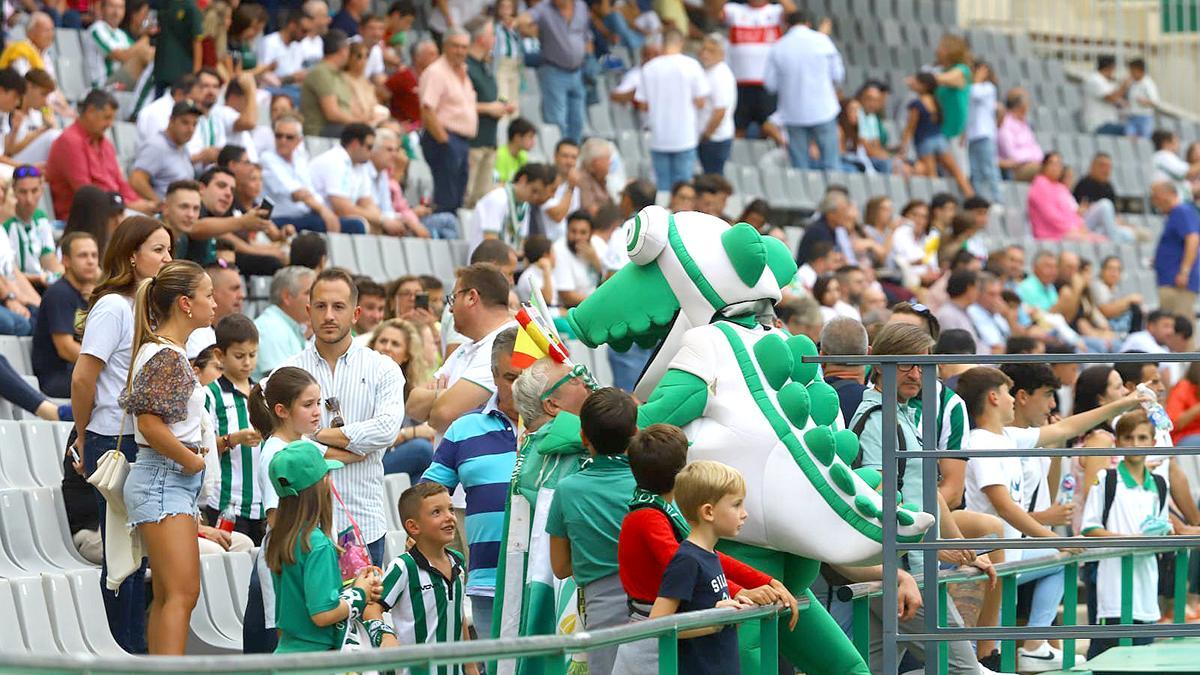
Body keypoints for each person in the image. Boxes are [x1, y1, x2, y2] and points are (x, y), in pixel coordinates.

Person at [957, 365, 1149, 672]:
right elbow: (1005, 507)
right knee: (984, 649)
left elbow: (1064, 429)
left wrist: (1123, 404)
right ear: (994, 397)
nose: (1012, 401)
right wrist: (1055, 537)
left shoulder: (1007, 436)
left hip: (1010, 557)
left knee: (1055, 561)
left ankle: (1031, 645)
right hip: (990, 560)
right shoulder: (981, 442)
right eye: (1008, 393)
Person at [613, 424, 793, 674]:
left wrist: (763, 581)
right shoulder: (647, 516)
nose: (744, 513)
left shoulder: (661, 510)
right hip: (653, 637)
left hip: (673, 629)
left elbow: (706, 558)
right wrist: (739, 598)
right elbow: (683, 562)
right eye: (737, 505)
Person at [70, 216, 172, 653]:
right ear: (132, 255)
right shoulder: (114, 306)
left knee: (139, 556)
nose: (168, 259)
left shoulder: (150, 306)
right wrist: (81, 434)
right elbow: (82, 378)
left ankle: (135, 649)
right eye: (159, 250)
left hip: (142, 440)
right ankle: (122, 652)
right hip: (113, 439)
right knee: (120, 556)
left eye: (170, 250)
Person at [121, 260, 216, 654]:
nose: (214, 303)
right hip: (166, 478)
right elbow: (150, 424)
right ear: (185, 304)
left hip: (166, 480)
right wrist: (191, 461)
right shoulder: (166, 356)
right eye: (208, 295)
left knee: (169, 595)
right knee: (181, 594)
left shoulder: (167, 352)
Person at [284, 267, 406, 565]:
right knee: (309, 613)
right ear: (309, 311)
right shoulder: (287, 372)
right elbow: (281, 442)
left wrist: (315, 435)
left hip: (363, 522)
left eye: (338, 307)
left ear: (355, 313)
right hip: (304, 526)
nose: (329, 316)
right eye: (321, 307)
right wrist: (349, 448)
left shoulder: (383, 368)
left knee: (363, 611)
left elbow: (386, 430)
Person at [420, 326, 518, 641]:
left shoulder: (568, 426)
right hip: (487, 580)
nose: (520, 388)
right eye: (510, 378)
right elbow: (426, 497)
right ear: (493, 375)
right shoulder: (464, 429)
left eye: (530, 376)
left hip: (549, 580)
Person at [548, 387, 638, 675]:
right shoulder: (652, 481)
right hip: (660, 605)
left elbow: (560, 567)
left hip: (599, 611)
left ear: (584, 437)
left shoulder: (567, 490)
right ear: (635, 432)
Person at [264, 440, 382, 652]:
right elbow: (322, 614)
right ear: (322, 484)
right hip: (316, 660)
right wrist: (360, 594)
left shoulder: (281, 537)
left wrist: (354, 584)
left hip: (286, 651)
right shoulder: (317, 543)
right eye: (327, 475)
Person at [242, 366, 323, 653]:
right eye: (307, 405)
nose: (317, 412)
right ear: (282, 410)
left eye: (318, 403)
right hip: (288, 563)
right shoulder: (276, 453)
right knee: (290, 645)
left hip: (303, 557)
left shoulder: (300, 444)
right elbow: (277, 519)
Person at [648, 459, 754, 674]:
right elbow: (656, 625)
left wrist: (734, 609)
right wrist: (712, 622)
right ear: (708, 512)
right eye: (736, 505)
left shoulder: (709, 555)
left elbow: (707, 604)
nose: (745, 513)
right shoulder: (687, 560)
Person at [1081, 411, 1171, 658]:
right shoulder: (1106, 479)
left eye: (1142, 438)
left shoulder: (1160, 485)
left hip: (1146, 587)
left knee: (1142, 657)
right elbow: (1089, 528)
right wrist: (1129, 541)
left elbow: (1163, 528)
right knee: (1106, 657)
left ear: (1153, 443)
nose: (1135, 444)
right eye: (1129, 438)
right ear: (1118, 442)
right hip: (1111, 585)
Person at [372, 482, 474, 657]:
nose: (449, 517)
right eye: (437, 512)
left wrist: (470, 665)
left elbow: (458, 615)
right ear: (413, 526)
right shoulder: (403, 566)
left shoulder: (457, 560)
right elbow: (372, 607)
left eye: (450, 509)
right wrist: (385, 635)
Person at [202, 313, 267, 543]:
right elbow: (203, 450)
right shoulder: (210, 394)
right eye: (239, 356)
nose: (247, 362)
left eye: (252, 355)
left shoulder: (264, 392)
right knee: (233, 569)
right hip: (227, 504)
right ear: (220, 355)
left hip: (265, 505)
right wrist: (233, 439)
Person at [46, 89, 152, 219]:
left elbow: (120, 182)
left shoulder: (105, 144)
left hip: (114, 210)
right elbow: (87, 194)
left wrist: (139, 203)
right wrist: (129, 205)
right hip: (85, 217)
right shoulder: (69, 142)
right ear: (90, 111)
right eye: (107, 118)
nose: (110, 124)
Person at [764, 10, 842, 170]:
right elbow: (838, 75)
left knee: (800, 166)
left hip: (793, 112)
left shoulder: (778, 47)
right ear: (808, 23)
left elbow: (770, 84)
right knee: (831, 163)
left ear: (786, 25)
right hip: (823, 110)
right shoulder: (822, 41)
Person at [636, 27, 709, 191]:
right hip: (685, 135)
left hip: (659, 136)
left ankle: (662, 215)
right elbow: (701, 101)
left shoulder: (649, 68)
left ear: (662, 44)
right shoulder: (691, 66)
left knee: (662, 186)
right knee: (682, 187)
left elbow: (642, 103)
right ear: (681, 43)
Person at [261, 115, 356, 234]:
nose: (282, 140)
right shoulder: (267, 158)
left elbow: (310, 191)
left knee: (355, 225)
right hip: (280, 218)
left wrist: (324, 211)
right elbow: (297, 193)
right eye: (278, 136)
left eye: (289, 137)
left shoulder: (299, 159)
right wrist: (324, 211)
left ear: (299, 140)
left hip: (305, 215)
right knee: (347, 226)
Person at [420, 28, 478, 215]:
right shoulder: (436, 72)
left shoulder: (463, 73)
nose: (460, 51)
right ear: (444, 46)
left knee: (457, 195)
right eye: (456, 46)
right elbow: (427, 109)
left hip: (460, 140)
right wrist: (444, 141)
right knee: (446, 195)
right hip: (444, 137)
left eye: (464, 47)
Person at [369, 318, 436, 477]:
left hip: (396, 460)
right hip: (369, 460)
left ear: (406, 355)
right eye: (383, 341)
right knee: (422, 449)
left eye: (395, 344)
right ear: (373, 346)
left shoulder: (409, 390)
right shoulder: (361, 384)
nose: (387, 348)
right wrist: (410, 433)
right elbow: (374, 439)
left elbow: (430, 429)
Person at [33, 232, 97, 397]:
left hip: (76, 372)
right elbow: (66, 348)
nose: (90, 261)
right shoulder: (59, 293)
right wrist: (104, 368)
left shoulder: (88, 294)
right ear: (66, 261)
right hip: (57, 378)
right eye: (83, 255)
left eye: (94, 255)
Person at [519, 0, 589, 144]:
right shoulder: (544, 7)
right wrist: (530, 29)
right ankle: (557, 159)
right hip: (553, 71)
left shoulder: (581, 5)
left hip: (577, 72)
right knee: (557, 121)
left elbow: (585, 32)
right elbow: (525, 19)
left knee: (577, 121)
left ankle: (572, 156)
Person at [464, 16, 513, 209]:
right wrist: (489, 108)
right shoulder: (466, 66)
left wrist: (501, 106)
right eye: (492, 34)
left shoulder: (485, 66)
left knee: (481, 200)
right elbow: (458, 103)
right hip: (472, 142)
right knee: (466, 195)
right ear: (480, 39)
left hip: (489, 141)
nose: (495, 38)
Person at [901, 72, 972, 196]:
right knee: (957, 172)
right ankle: (970, 195)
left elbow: (910, 127)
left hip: (925, 141)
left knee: (932, 175)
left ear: (923, 86)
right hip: (940, 140)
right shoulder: (936, 102)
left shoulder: (917, 104)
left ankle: (936, 198)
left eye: (916, 82)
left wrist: (903, 145)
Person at [468, 163, 557, 252]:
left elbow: (522, 243)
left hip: (509, 260)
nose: (535, 197)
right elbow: (490, 242)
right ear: (523, 179)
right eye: (534, 191)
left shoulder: (524, 206)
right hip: (485, 261)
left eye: (539, 193)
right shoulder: (497, 198)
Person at [307, 123, 376, 233]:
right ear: (355, 144)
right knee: (358, 225)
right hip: (312, 215)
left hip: (331, 218)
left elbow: (367, 202)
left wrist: (381, 221)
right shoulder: (335, 160)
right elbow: (342, 209)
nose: (371, 152)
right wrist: (380, 220)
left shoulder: (360, 165)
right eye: (369, 147)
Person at [130, 101, 203, 202]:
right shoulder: (156, 146)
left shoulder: (182, 146)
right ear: (171, 121)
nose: (190, 129)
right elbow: (137, 180)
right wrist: (161, 206)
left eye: (194, 124)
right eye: (185, 122)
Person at [300, 30, 365, 137]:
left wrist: (364, 120)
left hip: (339, 127)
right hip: (321, 130)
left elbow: (350, 107)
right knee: (365, 135)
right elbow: (332, 113)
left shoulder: (338, 74)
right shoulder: (321, 73)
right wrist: (359, 124)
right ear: (343, 50)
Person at [4, 164, 61, 284]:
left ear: (41, 189)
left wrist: (62, 275)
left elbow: (48, 258)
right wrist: (39, 278)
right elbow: (7, 274)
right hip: (17, 286)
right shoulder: (6, 224)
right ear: (13, 190)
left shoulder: (40, 217)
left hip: (40, 282)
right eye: (23, 192)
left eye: (34, 191)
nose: (29, 199)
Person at [254, 265, 315, 378]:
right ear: (287, 297)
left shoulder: (285, 325)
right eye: (308, 293)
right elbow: (283, 383)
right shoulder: (272, 328)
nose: (316, 299)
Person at [1151, 181, 1200, 317]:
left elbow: (1193, 240)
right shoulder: (1174, 214)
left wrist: (1184, 272)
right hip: (1171, 280)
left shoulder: (1181, 211)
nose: (1154, 201)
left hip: (1177, 284)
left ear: (1168, 195)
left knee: (1178, 327)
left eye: (1155, 196)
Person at [84, 0, 154, 90]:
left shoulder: (121, 34)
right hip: (102, 86)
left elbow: (135, 52)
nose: (116, 12)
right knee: (145, 55)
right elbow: (122, 56)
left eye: (120, 7)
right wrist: (146, 36)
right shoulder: (97, 29)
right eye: (112, 6)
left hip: (119, 79)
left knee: (152, 54)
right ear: (102, 8)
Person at [553, 211, 604, 307]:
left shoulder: (598, 244)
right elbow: (567, 296)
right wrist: (599, 303)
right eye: (573, 231)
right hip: (573, 308)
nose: (577, 237)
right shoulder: (559, 249)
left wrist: (595, 260)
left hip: (594, 302)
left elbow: (610, 277)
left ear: (591, 233)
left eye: (583, 232)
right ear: (567, 230)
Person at [966, 61, 1000, 203]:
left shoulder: (989, 88)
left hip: (985, 134)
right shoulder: (970, 86)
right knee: (975, 171)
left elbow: (974, 93)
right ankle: (979, 200)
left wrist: (978, 79)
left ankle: (998, 199)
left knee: (989, 168)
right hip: (972, 135)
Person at [152, 0, 202, 97]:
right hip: (161, 71)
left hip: (182, 74)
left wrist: (196, 75)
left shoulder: (190, 7)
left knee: (179, 109)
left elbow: (197, 42)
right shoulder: (162, 4)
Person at [995, 88, 1044, 182]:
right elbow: (1011, 154)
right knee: (1045, 172)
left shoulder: (1025, 124)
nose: (1029, 106)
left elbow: (1034, 147)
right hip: (1017, 169)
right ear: (1020, 105)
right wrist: (1030, 159)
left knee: (1064, 171)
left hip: (1033, 163)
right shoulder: (1005, 124)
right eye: (1027, 102)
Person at [1082, 55, 1129, 135]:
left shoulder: (1105, 82)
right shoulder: (1094, 80)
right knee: (1130, 130)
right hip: (1098, 125)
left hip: (1109, 123)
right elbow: (1111, 98)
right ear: (1110, 67)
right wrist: (1124, 86)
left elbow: (1119, 101)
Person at [1152, 129, 1200, 202]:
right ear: (1166, 143)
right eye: (1175, 140)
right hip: (1171, 202)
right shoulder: (1163, 156)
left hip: (1179, 198)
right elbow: (1188, 172)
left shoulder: (1165, 156)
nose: (1178, 144)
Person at [1125, 58, 1159, 138]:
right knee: (1129, 137)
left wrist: (1145, 101)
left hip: (1145, 117)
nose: (1131, 73)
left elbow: (1155, 102)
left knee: (1145, 141)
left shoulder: (1148, 83)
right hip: (1132, 117)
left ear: (1140, 70)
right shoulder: (1132, 83)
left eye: (1133, 71)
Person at [495, 117, 535, 184]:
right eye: (530, 137)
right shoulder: (500, 155)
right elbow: (499, 185)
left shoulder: (523, 155)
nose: (533, 142)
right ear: (517, 137)